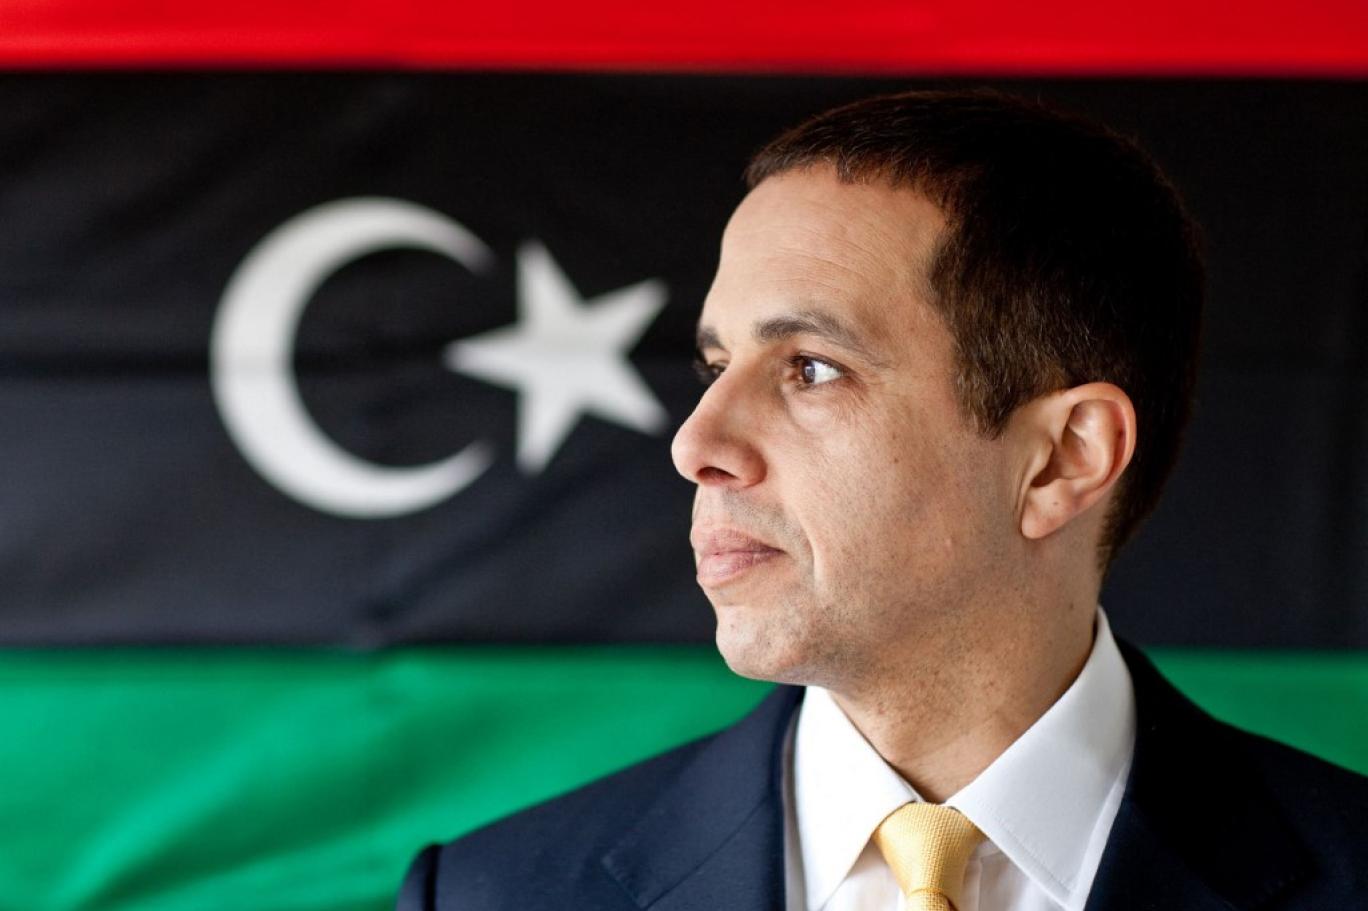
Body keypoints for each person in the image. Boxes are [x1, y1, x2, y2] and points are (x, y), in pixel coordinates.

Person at [397, 89, 1368, 910]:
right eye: (717, 365)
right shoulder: (493, 892)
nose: (696, 445)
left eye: (811, 368)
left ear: (1061, 459)